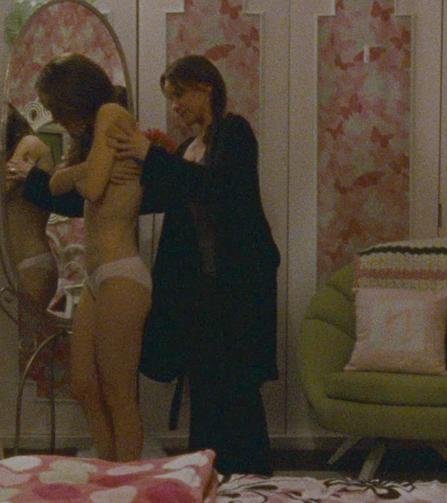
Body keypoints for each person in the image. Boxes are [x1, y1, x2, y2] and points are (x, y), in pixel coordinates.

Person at [107, 55, 280, 476]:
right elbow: (163, 196)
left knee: (238, 389)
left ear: (206, 88)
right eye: (171, 98)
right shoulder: (187, 148)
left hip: (238, 286)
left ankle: (252, 482)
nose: (176, 106)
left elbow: (216, 186)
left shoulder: (235, 132)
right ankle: (208, 478)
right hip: (202, 290)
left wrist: (154, 155)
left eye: (180, 94)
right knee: (204, 389)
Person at [9, 53, 149, 462]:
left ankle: (126, 481)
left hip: (122, 273)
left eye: (55, 106)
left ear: (74, 95)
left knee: (118, 392)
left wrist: (82, 174)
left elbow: (90, 189)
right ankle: (106, 470)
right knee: (84, 386)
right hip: (95, 277)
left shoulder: (111, 112)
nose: (54, 116)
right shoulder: (90, 138)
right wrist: (83, 170)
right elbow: (56, 185)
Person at [1, 105, 58, 313]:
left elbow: (3, 188)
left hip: (31, 262)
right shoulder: (10, 153)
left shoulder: (30, 143)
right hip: (16, 262)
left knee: (25, 328)